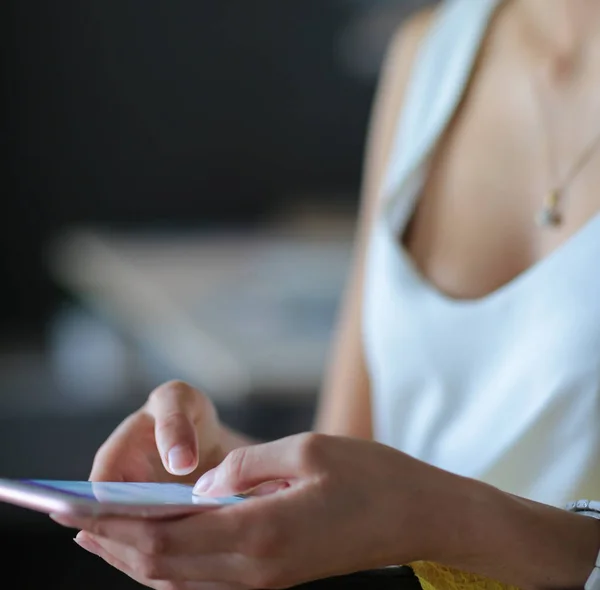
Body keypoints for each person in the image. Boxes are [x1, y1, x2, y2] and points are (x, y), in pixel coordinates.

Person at [50, 0, 600, 588]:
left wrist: (439, 520)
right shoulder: (431, 54)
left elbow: (406, 507)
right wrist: (227, 485)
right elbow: (353, 457)